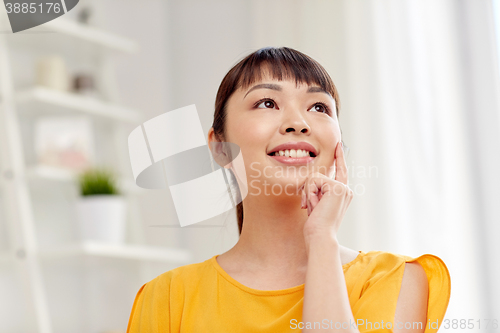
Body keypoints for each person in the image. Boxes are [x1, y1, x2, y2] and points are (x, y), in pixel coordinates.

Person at [126, 47, 451, 333]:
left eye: (319, 107)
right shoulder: (165, 298)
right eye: (267, 102)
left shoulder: (396, 279)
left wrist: (322, 239)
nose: (298, 123)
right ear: (220, 147)